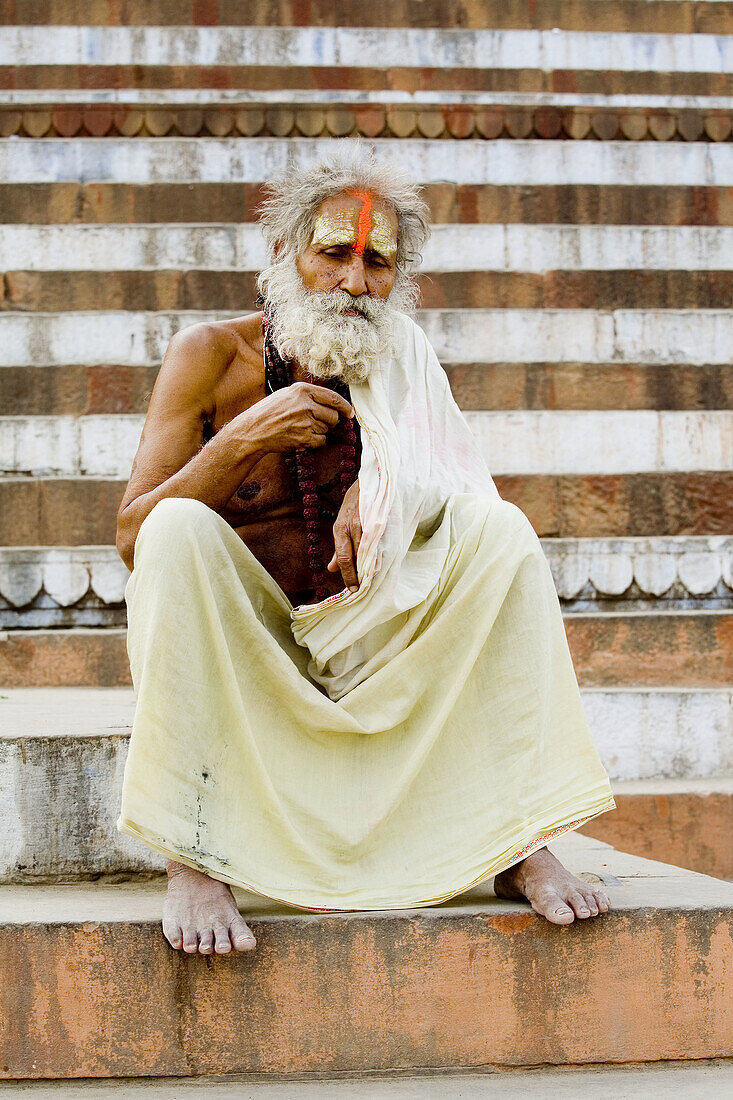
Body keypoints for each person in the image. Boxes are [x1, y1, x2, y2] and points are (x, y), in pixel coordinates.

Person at [115, 148, 615, 957]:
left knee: (499, 534)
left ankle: (518, 841)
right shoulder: (209, 355)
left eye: (377, 261)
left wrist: (388, 490)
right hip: (247, 650)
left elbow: (454, 486)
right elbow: (133, 536)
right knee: (176, 527)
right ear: (284, 254)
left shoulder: (404, 363)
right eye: (333, 252)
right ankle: (193, 853)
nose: (354, 281)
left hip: (373, 644)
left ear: (399, 277)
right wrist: (240, 441)